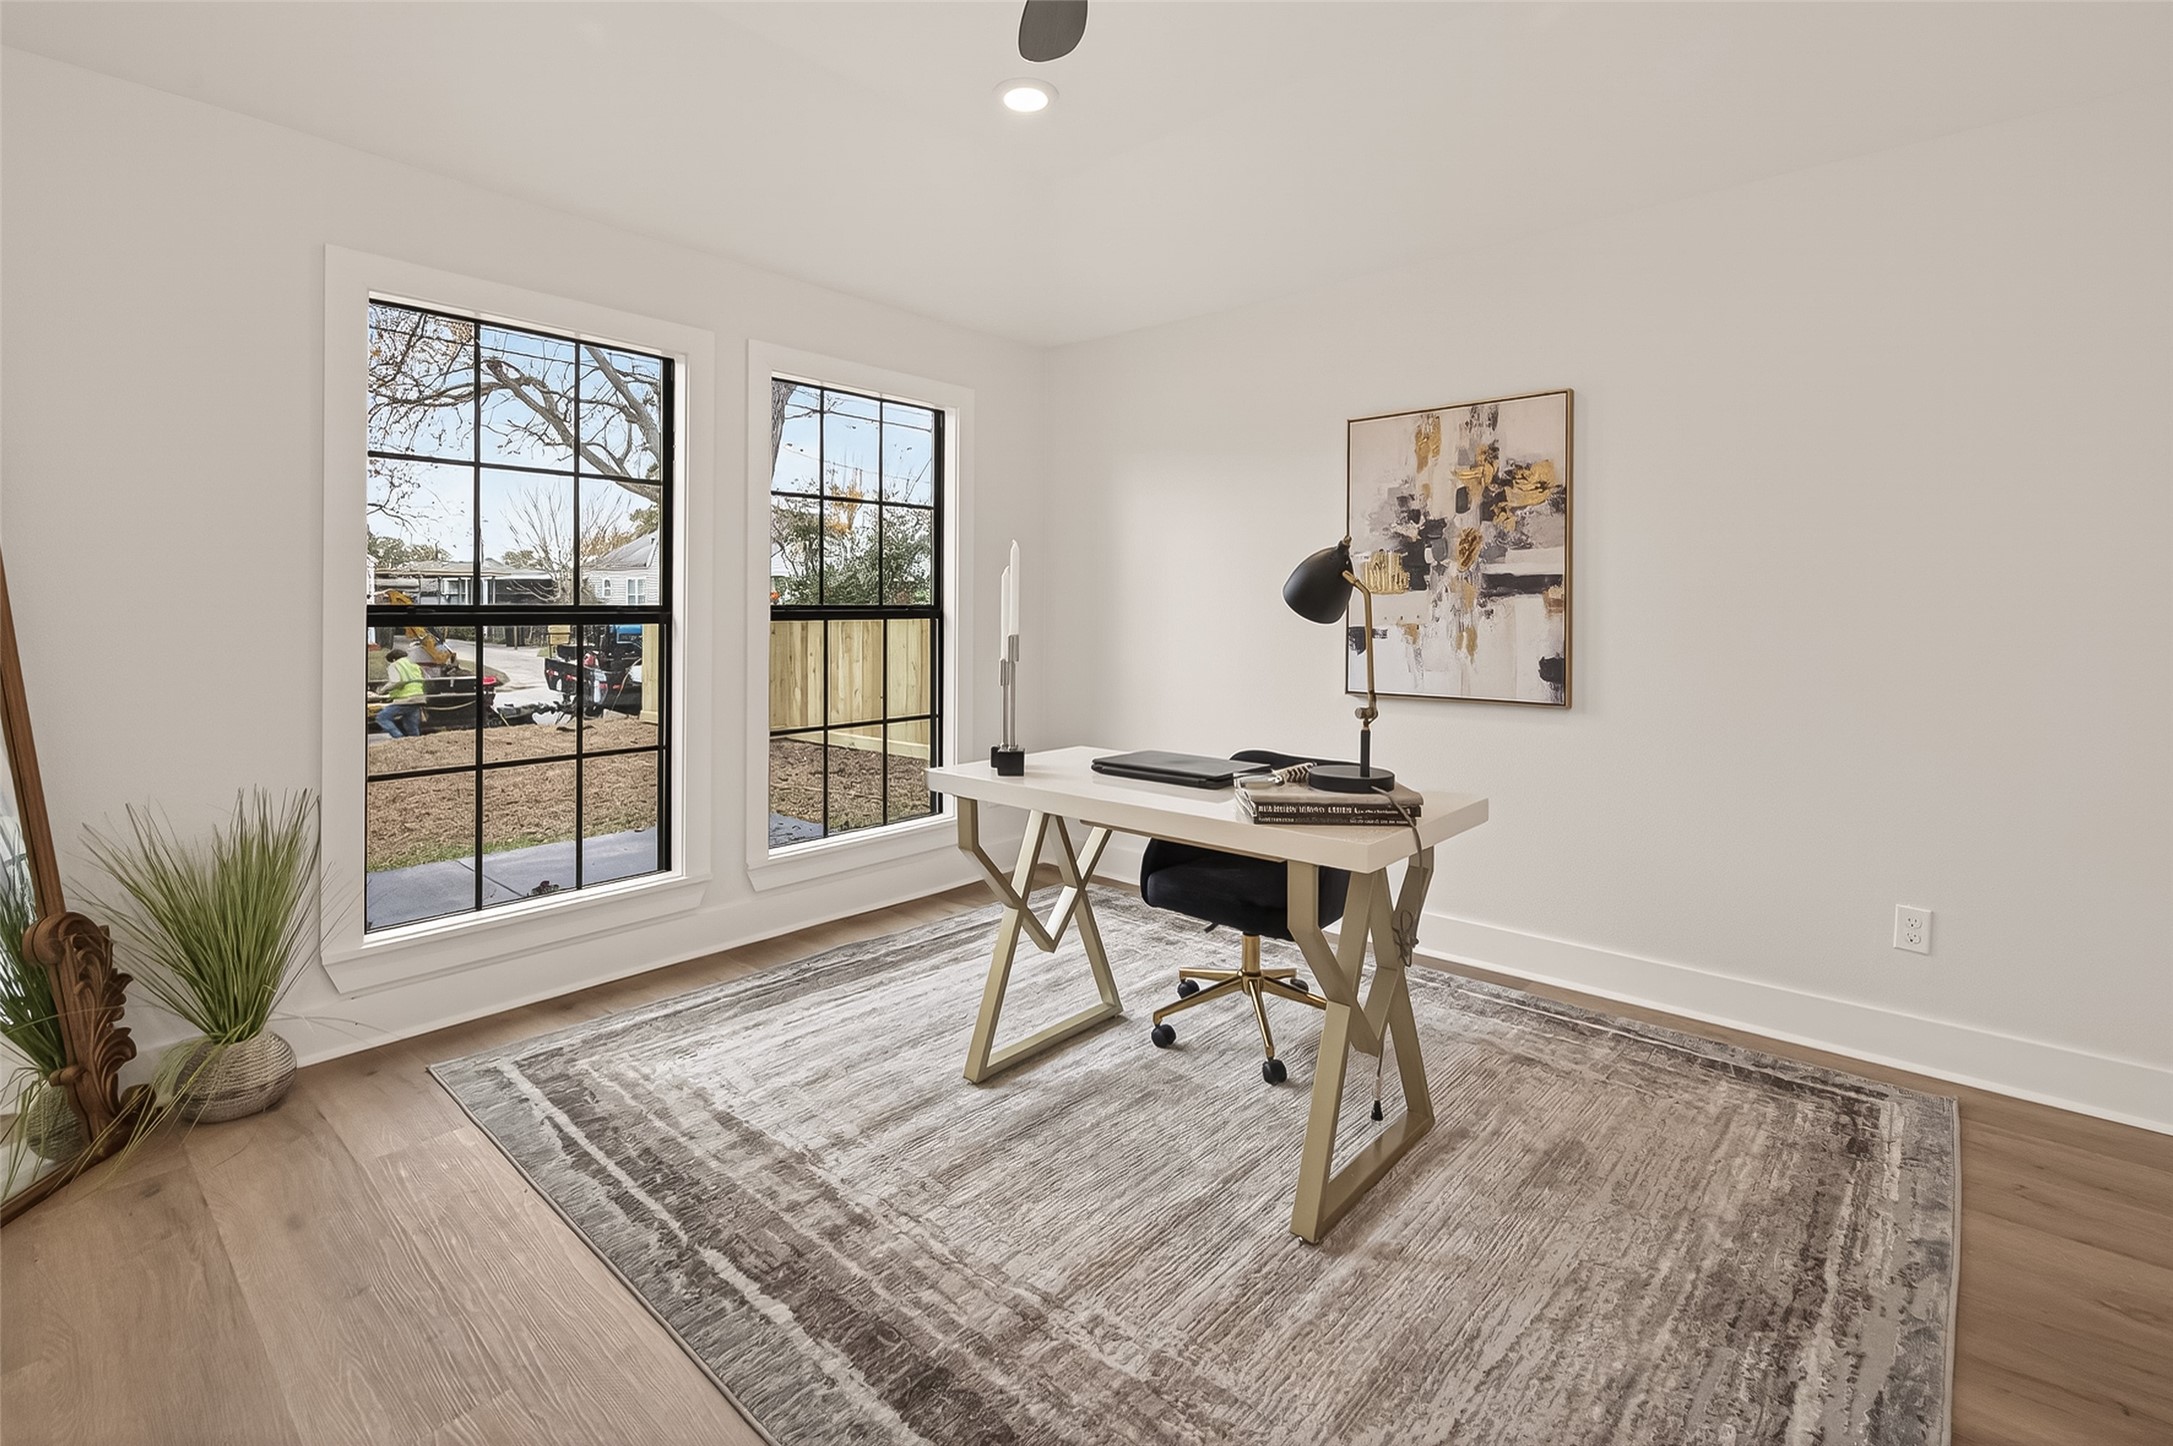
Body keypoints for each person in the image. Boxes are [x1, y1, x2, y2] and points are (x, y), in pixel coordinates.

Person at [373, 646, 427, 738]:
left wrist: (382, 690)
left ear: (393, 659)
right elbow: (425, 678)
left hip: (405, 699)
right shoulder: (415, 665)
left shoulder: (395, 665)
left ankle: (399, 739)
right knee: (411, 726)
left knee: (382, 717)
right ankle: (416, 745)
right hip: (418, 698)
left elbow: (395, 681)